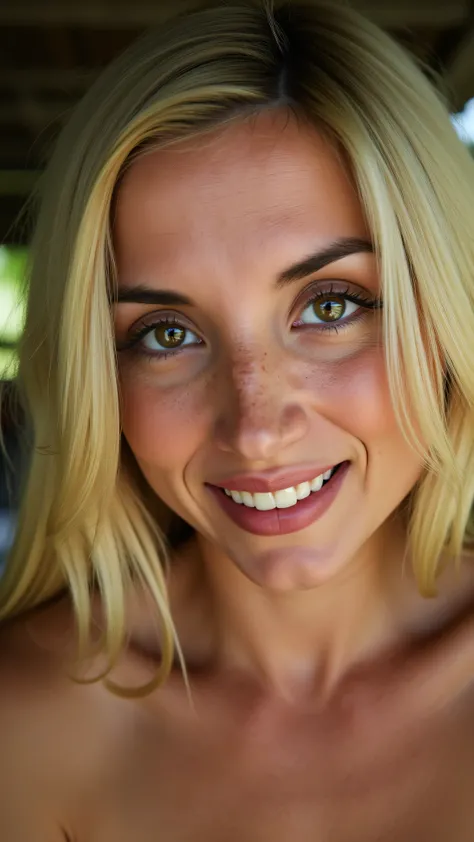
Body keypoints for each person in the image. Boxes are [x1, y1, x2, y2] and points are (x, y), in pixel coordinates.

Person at [1, 0, 474, 838]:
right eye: (167, 333)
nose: (255, 426)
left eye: (331, 306)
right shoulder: (27, 724)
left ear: (446, 315)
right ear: (97, 379)